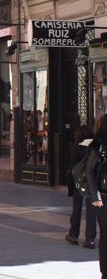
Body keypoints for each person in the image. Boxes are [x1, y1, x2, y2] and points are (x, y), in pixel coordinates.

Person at [67, 124, 97, 248]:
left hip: (78, 183)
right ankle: (90, 239)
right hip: (92, 183)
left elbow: (72, 170)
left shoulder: (76, 149)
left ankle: (74, 235)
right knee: (91, 212)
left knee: (77, 209)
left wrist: (70, 187)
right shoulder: (96, 148)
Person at [86, 114, 107, 278]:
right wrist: (95, 196)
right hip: (103, 198)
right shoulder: (97, 146)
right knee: (106, 235)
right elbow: (90, 172)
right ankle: (105, 272)